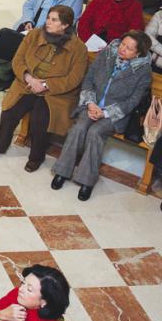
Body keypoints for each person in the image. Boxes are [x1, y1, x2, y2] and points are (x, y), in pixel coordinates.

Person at [51, 32, 153, 200]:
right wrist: (90, 103)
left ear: (138, 53)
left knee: (95, 132)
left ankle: (86, 180)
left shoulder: (143, 70)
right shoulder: (107, 53)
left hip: (116, 114)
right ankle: (62, 171)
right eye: (122, 44)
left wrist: (105, 112)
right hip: (92, 104)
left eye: (128, 48)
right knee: (79, 128)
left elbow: (134, 100)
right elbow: (89, 78)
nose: (122, 49)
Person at [0, 5, 88, 169]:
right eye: (48, 17)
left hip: (55, 93)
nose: (48, 22)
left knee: (41, 120)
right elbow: (17, 60)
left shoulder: (78, 48)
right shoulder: (34, 34)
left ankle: (36, 157)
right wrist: (29, 78)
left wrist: (46, 84)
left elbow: (74, 79)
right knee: (10, 112)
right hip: (27, 83)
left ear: (65, 25)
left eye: (54, 20)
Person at [77, 0, 145, 44]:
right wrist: (88, 40)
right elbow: (84, 21)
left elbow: (135, 32)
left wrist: (118, 46)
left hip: (116, 44)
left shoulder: (135, 5)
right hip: (90, 38)